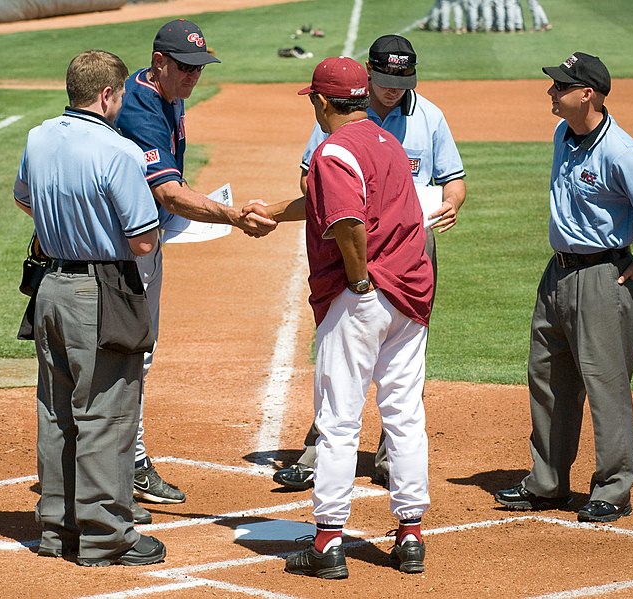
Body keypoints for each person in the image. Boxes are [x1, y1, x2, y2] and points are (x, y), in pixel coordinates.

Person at [272, 34, 466, 492]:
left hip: (403, 247)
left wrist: (452, 204)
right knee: (356, 365)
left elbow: (453, 180)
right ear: (368, 77)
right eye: (385, 80)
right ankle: (323, 452)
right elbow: (312, 181)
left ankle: (376, 469)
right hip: (355, 246)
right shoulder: (338, 122)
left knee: (378, 370)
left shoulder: (428, 117)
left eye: (403, 80)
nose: (394, 89)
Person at [265, 56, 433, 578]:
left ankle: (328, 541)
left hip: (364, 295)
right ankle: (409, 535)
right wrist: (272, 212)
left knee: (338, 420)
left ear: (321, 101)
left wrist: (358, 279)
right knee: (403, 413)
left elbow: (346, 222)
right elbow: (329, 202)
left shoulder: (332, 151)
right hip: (410, 297)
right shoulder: (387, 143)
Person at [495, 52, 633, 523]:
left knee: (605, 385)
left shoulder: (621, 151)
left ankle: (613, 488)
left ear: (587, 94)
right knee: (548, 379)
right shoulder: (564, 134)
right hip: (556, 275)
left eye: (560, 86)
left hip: (603, 276)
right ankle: (547, 481)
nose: (551, 93)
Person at [116, 19, 276, 521]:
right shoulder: (141, 105)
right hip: (124, 251)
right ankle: (125, 466)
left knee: (138, 352)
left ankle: (123, 462)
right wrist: (230, 215)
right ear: (159, 62)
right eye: (185, 69)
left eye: (199, 69)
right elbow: (165, 190)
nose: (193, 78)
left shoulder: (167, 91)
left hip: (145, 238)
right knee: (129, 355)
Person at [13, 49, 166, 566]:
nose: (122, 103)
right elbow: (143, 241)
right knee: (106, 412)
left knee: (56, 410)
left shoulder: (38, 137)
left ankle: (58, 528)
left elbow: (24, 200)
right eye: (120, 94)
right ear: (106, 95)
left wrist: (66, 216)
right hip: (99, 292)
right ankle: (104, 536)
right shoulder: (118, 151)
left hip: (49, 287)